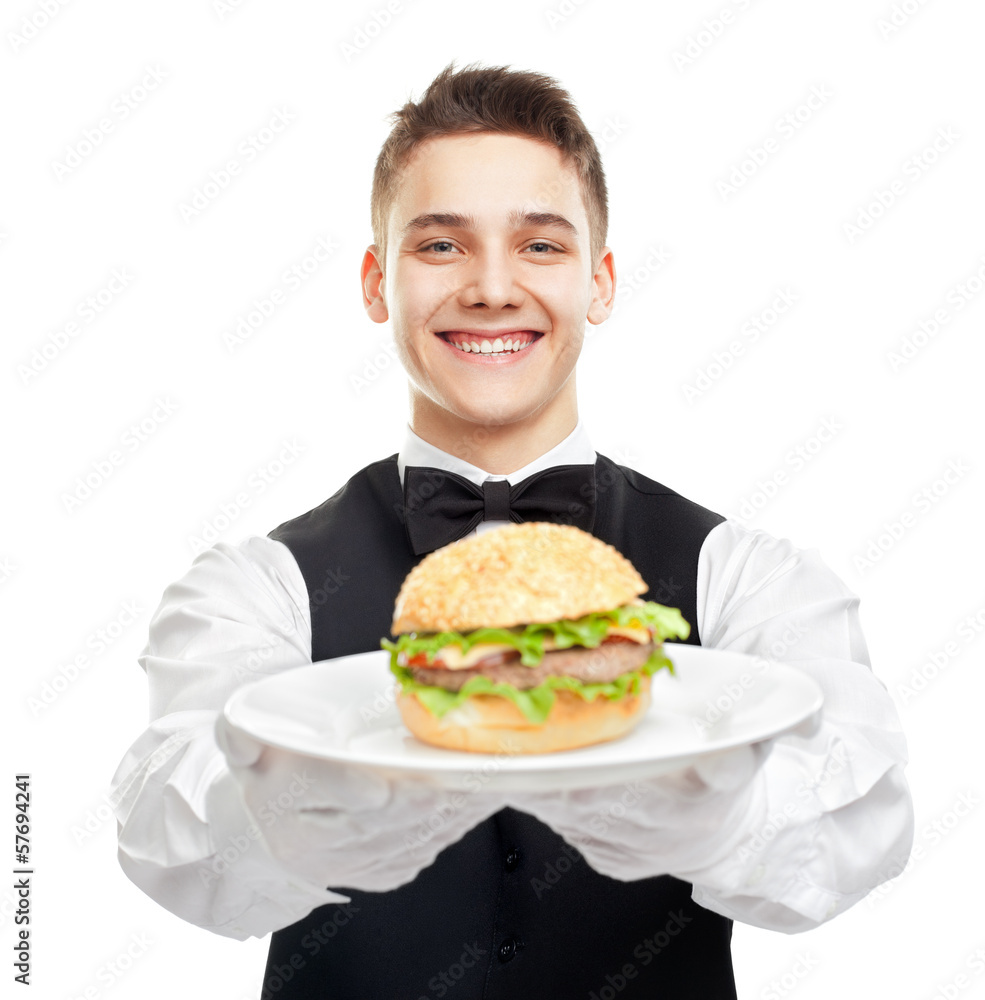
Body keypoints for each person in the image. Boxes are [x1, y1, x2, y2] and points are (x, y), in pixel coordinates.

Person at [112, 63, 914, 999]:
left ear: (600, 284)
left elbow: (867, 823)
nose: (493, 288)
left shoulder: (748, 575)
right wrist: (306, 809)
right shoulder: (255, 588)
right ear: (376, 284)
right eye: (441, 246)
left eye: (540, 247)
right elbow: (175, 843)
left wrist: (716, 818)